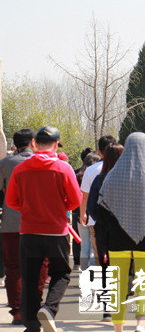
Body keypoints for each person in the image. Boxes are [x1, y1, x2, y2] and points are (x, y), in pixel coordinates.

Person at [95, 132, 145, 332]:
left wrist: (113, 228)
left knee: (118, 284)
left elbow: (102, 209)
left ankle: (118, 327)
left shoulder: (113, 176)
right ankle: (141, 324)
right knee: (144, 284)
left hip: (117, 240)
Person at [6, 126, 82, 332]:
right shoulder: (63, 168)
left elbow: (11, 200)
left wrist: (29, 208)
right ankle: (49, 308)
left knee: (30, 279)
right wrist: (59, 208)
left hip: (29, 231)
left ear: (35, 144)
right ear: (56, 145)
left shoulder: (21, 169)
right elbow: (75, 201)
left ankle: (32, 325)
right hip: (56, 231)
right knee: (61, 273)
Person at [0, 128, 48, 326]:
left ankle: (18, 311)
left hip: (11, 223)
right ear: (33, 143)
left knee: (13, 268)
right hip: (40, 224)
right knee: (40, 265)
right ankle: (34, 308)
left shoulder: (5, 164)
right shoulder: (46, 162)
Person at [79, 135, 117, 270]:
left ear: (99, 152)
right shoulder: (123, 168)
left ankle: (102, 279)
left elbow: (84, 196)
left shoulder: (91, 170)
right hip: (118, 220)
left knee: (99, 255)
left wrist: (82, 214)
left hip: (96, 219)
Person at [77, 151, 102, 271]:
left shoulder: (78, 175)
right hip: (94, 214)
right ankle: (92, 268)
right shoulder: (98, 173)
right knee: (93, 247)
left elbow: (82, 196)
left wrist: (82, 213)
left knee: (84, 245)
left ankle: (83, 269)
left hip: (81, 212)